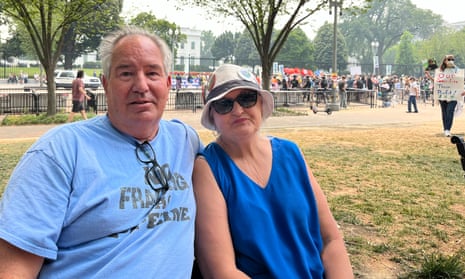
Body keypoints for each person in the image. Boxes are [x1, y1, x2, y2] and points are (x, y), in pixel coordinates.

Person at [0, 26, 203, 278]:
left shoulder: (185, 141)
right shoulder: (59, 152)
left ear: (168, 83)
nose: (141, 86)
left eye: (152, 73)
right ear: (106, 85)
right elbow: (13, 269)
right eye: (126, 73)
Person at [193, 64, 353, 278]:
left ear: (261, 103)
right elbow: (221, 271)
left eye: (247, 98)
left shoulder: (291, 153)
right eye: (224, 104)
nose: (238, 110)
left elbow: (331, 239)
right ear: (212, 115)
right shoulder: (208, 168)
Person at [433, 55, 465, 137]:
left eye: (452, 59)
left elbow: (461, 80)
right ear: (445, 61)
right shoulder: (440, 71)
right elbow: (437, 82)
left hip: (454, 95)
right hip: (443, 94)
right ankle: (445, 129)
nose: (451, 60)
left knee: (450, 112)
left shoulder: (457, 70)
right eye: (449, 59)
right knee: (444, 113)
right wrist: (429, 76)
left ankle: (448, 129)